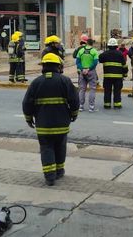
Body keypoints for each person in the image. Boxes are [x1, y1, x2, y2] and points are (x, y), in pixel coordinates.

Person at [22, 53, 79, 186]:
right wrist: (74, 114)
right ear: (58, 66)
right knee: (60, 146)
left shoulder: (36, 82)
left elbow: (27, 103)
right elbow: (74, 100)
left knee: (46, 148)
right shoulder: (65, 81)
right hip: (62, 124)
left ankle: (50, 176)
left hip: (43, 125)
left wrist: (28, 118)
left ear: (43, 66)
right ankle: (59, 171)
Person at [99, 38, 128, 109]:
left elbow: (100, 59)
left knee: (107, 91)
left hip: (107, 77)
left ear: (108, 46)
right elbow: (124, 65)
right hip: (118, 78)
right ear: (116, 46)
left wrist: (104, 53)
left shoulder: (105, 54)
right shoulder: (120, 54)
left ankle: (107, 104)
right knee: (117, 91)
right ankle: (117, 104)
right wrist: (125, 74)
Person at [76, 38, 99, 112]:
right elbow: (95, 62)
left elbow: (77, 62)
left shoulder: (81, 51)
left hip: (82, 72)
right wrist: (89, 69)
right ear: (92, 44)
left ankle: (81, 106)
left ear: (86, 43)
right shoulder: (94, 51)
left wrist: (82, 69)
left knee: (82, 89)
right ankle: (91, 107)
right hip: (91, 72)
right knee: (92, 89)